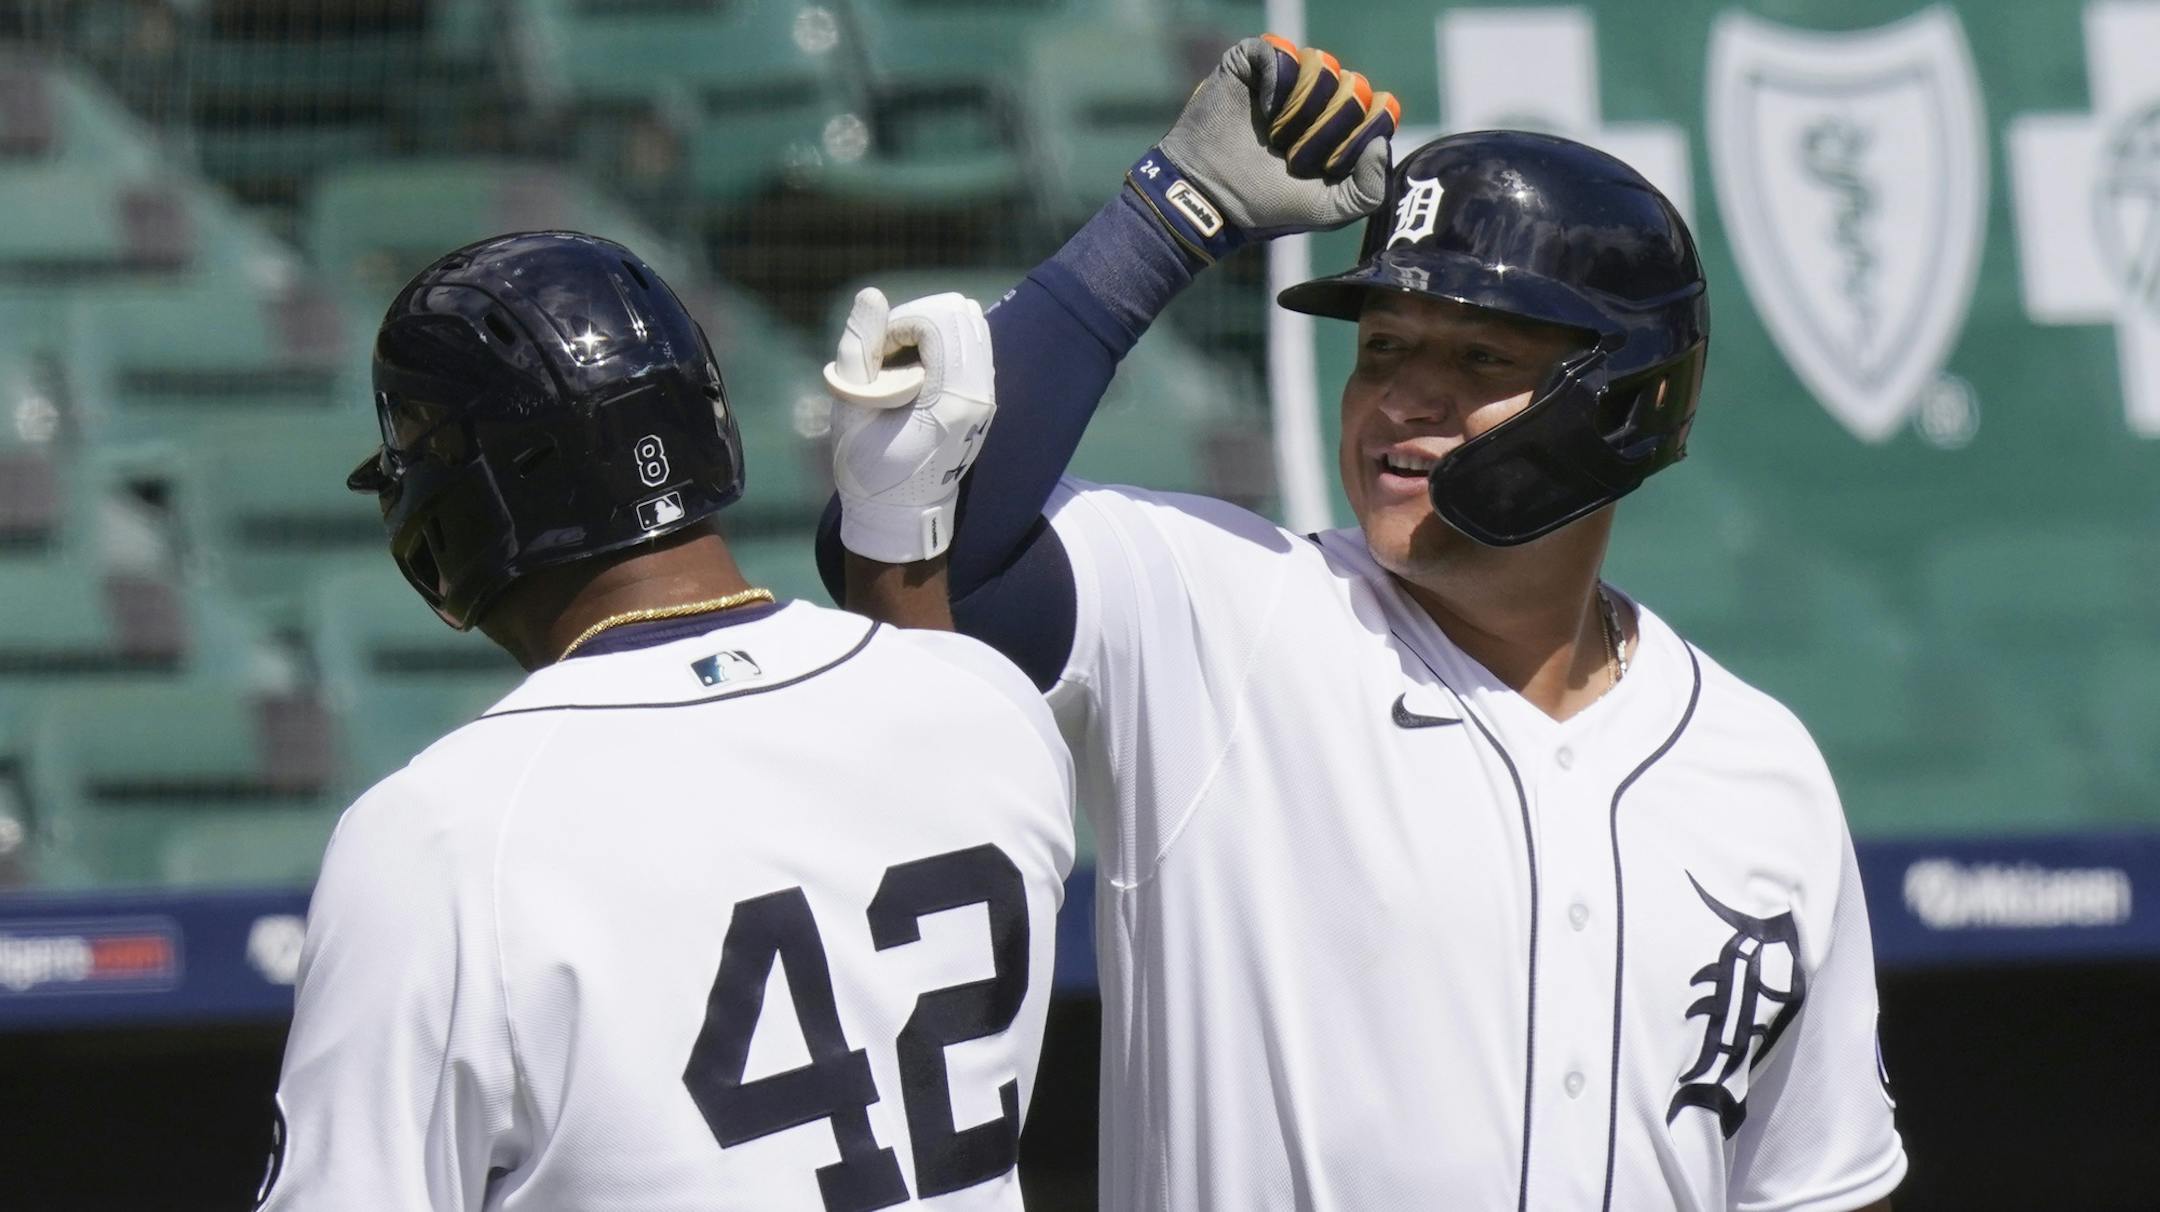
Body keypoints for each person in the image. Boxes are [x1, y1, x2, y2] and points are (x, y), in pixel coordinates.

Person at [817, 36, 1906, 1212]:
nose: (1403, 396)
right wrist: (1166, 221)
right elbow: (916, 530)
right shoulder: (1229, 618)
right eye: (1383, 348)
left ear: (1626, 402)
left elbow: (1817, 1185)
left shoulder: (1760, 770)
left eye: (1478, 354)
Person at [259, 231, 1074, 1210]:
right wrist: (900, 540)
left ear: (447, 524)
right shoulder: (988, 711)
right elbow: (885, 735)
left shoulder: (442, 838)